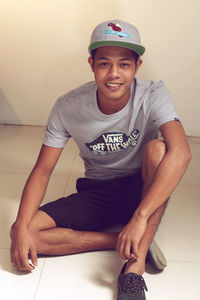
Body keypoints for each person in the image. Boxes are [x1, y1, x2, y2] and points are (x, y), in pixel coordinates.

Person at [10, 20, 191, 300]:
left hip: (144, 188)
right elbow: (43, 170)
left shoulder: (153, 94)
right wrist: (21, 227)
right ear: (92, 64)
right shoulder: (67, 106)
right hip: (99, 191)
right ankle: (121, 241)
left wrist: (140, 217)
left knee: (159, 149)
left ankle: (133, 269)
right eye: (105, 63)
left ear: (137, 67)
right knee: (24, 234)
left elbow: (181, 152)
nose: (114, 74)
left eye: (124, 64)